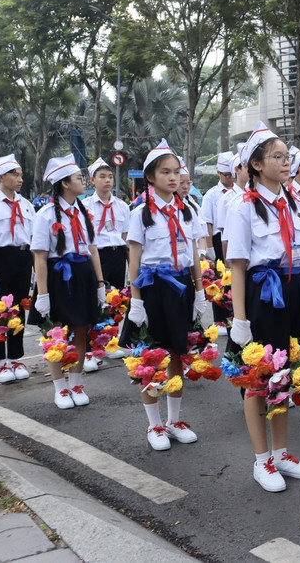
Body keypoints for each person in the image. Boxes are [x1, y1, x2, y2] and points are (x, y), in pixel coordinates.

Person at [225, 124, 300, 493]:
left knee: (286, 375)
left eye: (287, 156)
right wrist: (240, 320)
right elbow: (237, 266)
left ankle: (281, 453)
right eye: (278, 157)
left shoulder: (295, 202)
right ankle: (261, 460)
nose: (286, 162)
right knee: (259, 378)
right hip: (263, 294)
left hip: (294, 289)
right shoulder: (244, 207)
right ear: (257, 165)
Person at [122, 139, 207, 450]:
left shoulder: (188, 211)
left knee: (176, 355)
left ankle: (174, 420)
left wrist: (200, 292)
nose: (173, 178)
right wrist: (136, 300)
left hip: (181, 287)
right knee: (150, 357)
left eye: (176, 172)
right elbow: (135, 258)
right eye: (165, 173)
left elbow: (195, 255)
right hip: (153, 290)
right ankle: (154, 425)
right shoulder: (141, 213)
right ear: (150, 177)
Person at [29, 155, 105, 409]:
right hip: (58, 276)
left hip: (82, 275)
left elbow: (92, 249)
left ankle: (75, 382)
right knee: (56, 333)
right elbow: (39, 256)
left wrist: (100, 283)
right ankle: (60, 388)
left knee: (81, 330)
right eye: (79, 178)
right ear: (65, 184)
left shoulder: (84, 212)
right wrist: (42, 294)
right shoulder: (46, 214)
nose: (83, 182)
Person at [0, 155, 35, 384]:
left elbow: (32, 239)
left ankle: (15, 357)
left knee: (19, 310)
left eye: (20, 175)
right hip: (1, 259)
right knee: (0, 312)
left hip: (23, 258)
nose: (20, 179)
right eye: (15, 174)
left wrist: (33, 270)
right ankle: (0, 363)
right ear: (1, 177)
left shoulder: (26, 205)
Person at [82, 158, 130, 368]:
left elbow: (126, 237)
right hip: (96, 255)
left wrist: (132, 268)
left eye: (110, 176)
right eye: (102, 177)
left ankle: (110, 342)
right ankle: (90, 348)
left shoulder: (121, 206)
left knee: (115, 300)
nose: (107, 180)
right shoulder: (85, 206)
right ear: (92, 180)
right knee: (95, 299)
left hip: (117, 254)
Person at [200, 151, 239, 331]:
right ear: (218, 173)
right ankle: (219, 319)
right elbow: (208, 223)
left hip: (234, 238)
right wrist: (210, 249)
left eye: (233, 175)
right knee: (219, 282)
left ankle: (234, 315)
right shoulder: (212, 195)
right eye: (226, 175)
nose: (231, 179)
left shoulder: (239, 192)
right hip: (217, 239)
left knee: (235, 278)